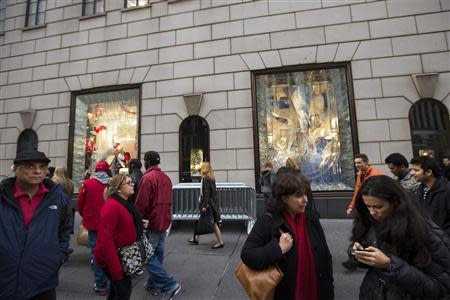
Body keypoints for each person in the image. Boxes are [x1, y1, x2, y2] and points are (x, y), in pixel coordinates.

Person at [349, 175, 450, 299]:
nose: (372, 212)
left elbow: (441, 287)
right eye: (368, 206)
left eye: (378, 207)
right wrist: (358, 253)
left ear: (395, 202)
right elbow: (363, 244)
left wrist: (391, 265)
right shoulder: (370, 222)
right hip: (373, 292)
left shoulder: (425, 231)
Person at [241, 172, 334, 300]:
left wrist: (329, 291)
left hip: (316, 292)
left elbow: (326, 258)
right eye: (299, 196)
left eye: (305, 194)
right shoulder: (268, 221)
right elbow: (247, 255)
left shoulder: (311, 218)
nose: (305, 200)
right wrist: (278, 249)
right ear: (284, 199)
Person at [0, 150, 72, 299]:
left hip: (43, 282)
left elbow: (65, 229)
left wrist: (58, 256)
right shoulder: (3, 196)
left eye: (42, 167)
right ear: (15, 169)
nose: (38, 171)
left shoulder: (58, 198)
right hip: (5, 279)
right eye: (30, 166)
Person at [135, 151, 181, 299]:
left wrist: (137, 219)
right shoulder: (166, 178)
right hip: (163, 222)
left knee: (147, 256)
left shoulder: (147, 178)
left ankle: (169, 284)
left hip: (151, 223)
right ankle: (152, 285)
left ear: (147, 161)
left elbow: (141, 204)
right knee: (157, 255)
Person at [94, 174, 147, 300]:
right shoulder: (112, 206)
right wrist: (116, 270)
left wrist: (139, 223)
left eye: (131, 182)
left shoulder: (125, 203)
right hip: (113, 259)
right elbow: (106, 240)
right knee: (123, 292)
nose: (132, 184)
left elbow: (124, 224)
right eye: (128, 183)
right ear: (118, 189)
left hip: (122, 256)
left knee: (115, 292)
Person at [343, 153, 383, 271]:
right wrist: (351, 206)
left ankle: (361, 258)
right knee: (360, 233)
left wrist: (374, 210)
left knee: (368, 234)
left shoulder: (375, 174)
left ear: (366, 162)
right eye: (355, 163)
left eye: (359, 162)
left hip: (372, 211)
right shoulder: (360, 174)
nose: (357, 165)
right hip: (363, 211)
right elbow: (357, 192)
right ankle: (354, 259)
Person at [78, 161, 112, 295]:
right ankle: (110, 279)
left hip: (93, 223)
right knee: (110, 251)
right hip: (111, 223)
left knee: (97, 253)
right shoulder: (112, 184)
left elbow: (81, 204)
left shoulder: (87, 184)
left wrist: (85, 216)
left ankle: (100, 284)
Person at [188, 162, 225, 249]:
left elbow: (206, 193)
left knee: (213, 223)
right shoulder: (211, 178)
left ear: (204, 168)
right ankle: (195, 238)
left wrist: (204, 205)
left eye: (201, 167)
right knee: (204, 220)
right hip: (212, 203)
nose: (200, 169)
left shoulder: (205, 179)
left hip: (208, 204)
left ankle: (220, 242)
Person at [411, 156, 450, 237]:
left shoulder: (446, 189)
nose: (412, 173)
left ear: (428, 172)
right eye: (412, 170)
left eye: (416, 170)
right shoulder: (421, 189)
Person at [52, 166, 75, 254]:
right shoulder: (70, 183)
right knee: (65, 229)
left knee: (56, 229)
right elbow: (71, 195)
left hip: (57, 207)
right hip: (68, 207)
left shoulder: (54, 182)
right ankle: (64, 247)